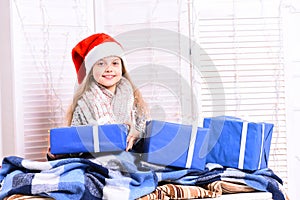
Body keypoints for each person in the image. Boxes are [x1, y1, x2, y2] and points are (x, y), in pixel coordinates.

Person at [47, 33, 149, 160]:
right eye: (101, 63)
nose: (109, 69)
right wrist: (59, 152)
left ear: (122, 67)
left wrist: (137, 134)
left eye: (115, 63)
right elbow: (75, 144)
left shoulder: (133, 98)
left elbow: (145, 132)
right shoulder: (83, 105)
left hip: (131, 157)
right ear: (91, 70)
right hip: (95, 160)